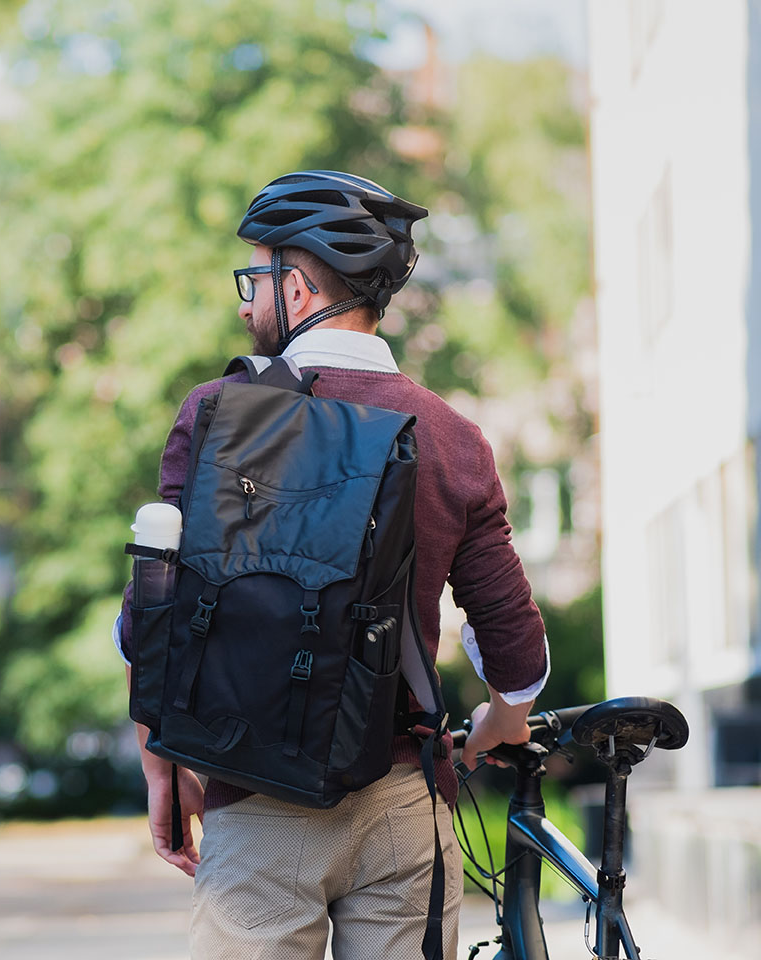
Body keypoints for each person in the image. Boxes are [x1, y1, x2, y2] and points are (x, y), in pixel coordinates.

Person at [114, 170, 549, 959]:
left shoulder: (217, 414)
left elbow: (153, 621)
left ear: (302, 290)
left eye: (258, 278)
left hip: (255, 804)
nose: (247, 302)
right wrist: (495, 728)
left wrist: (164, 767)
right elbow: (516, 657)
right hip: (403, 811)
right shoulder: (453, 437)